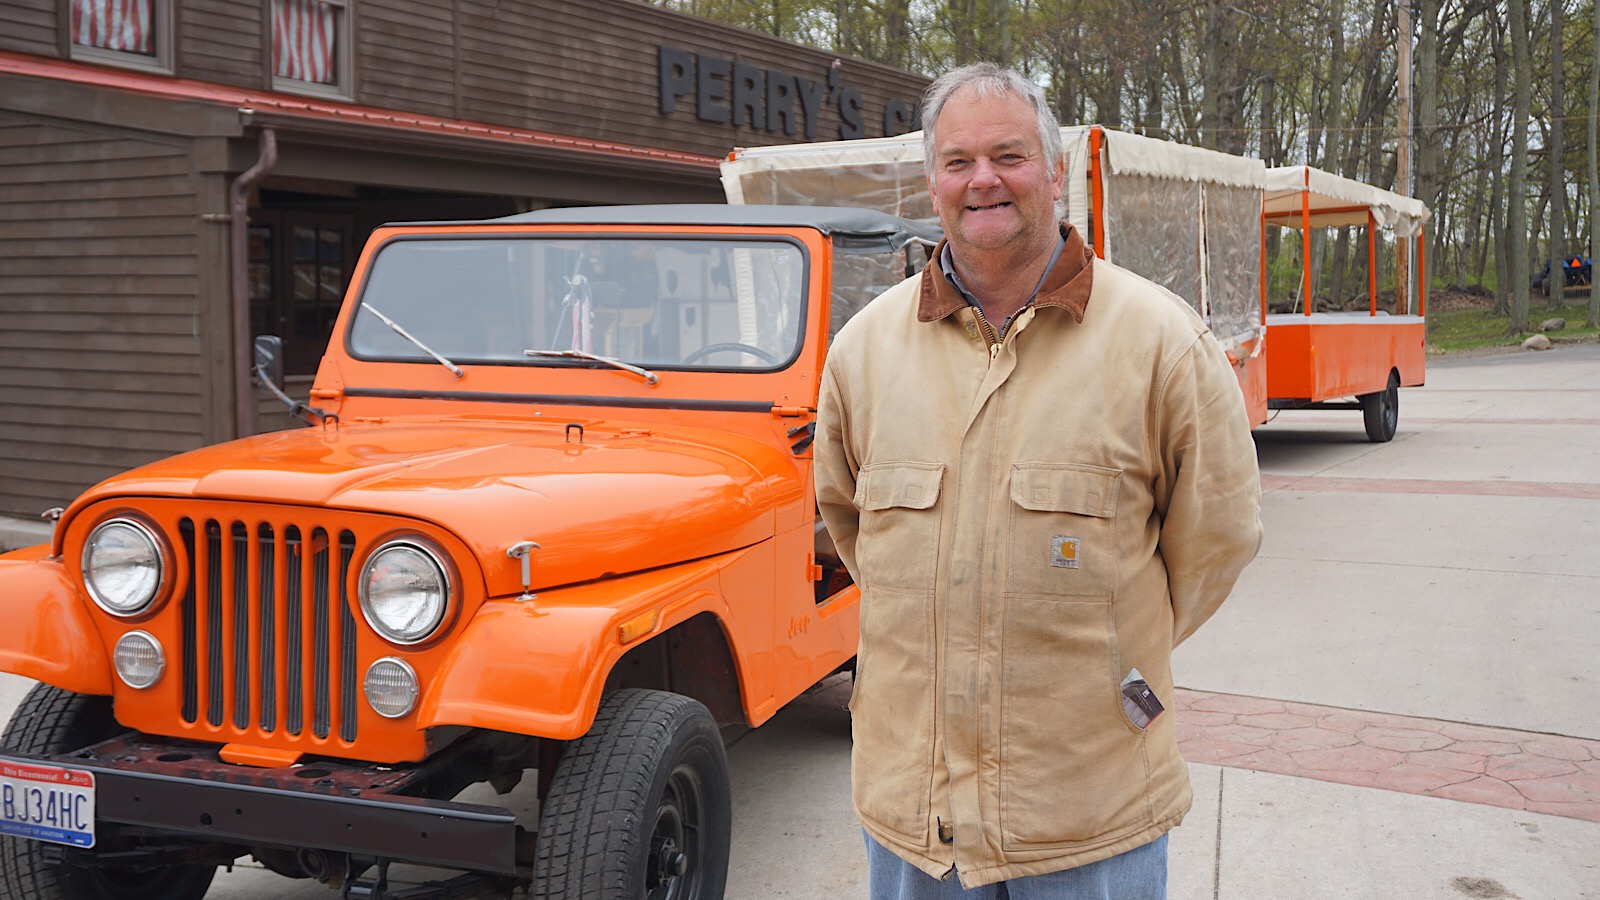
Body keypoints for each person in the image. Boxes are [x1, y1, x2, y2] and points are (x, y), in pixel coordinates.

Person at [814, 62, 1264, 898]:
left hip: (1088, 811)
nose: (982, 178)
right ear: (932, 181)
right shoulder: (864, 352)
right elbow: (853, 527)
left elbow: (1218, 540)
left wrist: (1108, 654)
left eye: (1009, 155)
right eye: (958, 161)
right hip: (916, 816)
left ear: (1056, 174)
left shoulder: (1161, 342)